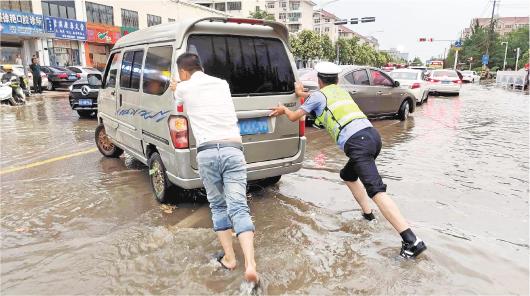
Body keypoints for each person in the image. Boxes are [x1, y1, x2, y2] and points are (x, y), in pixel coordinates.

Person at [270, 62, 427, 259]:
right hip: (372, 137)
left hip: (357, 143)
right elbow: (316, 99)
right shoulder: (340, 92)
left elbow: (294, 116)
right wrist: (302, 94)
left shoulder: (319, 95)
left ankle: (411, 241)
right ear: (336, 80)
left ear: (319, 80)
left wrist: (284, 109)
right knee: (348, 175)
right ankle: (368, 215)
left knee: (376, 190)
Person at [169, 53, 259, 283]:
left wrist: (177, 86)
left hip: (207, 153)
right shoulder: (222, 84)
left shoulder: (184, 88)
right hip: (232, 150)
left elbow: (177, 97)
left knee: (219, 207)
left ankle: (230, 258)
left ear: (184, 72)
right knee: (239, 206)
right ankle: (250, 263)